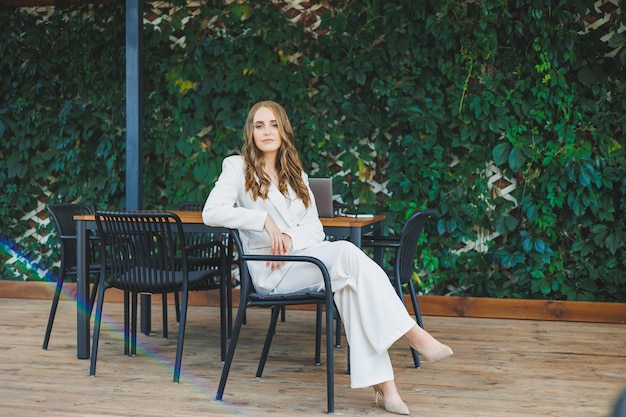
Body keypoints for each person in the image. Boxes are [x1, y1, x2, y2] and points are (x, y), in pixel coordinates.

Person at [202, 100, 453, 415]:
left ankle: (387, 388)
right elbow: (211, 212)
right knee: (348, 253)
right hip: (270, 270)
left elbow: (314, 229)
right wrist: (263, 222)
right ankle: (412, 333)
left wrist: (289, 238)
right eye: (259, 125)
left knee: (350, 285)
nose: (267, 131)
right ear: (250, 132)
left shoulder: (297, 175)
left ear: (284, 130)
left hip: (302, 259)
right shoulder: (237, 166)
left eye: (273, 124)